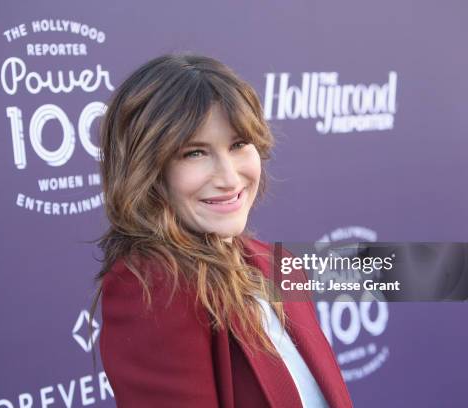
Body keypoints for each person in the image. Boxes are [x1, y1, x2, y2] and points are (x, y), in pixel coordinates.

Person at [89, 53, 352, 407]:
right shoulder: (152, 287)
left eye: (239, 144)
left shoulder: (272, 261)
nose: (229, 178)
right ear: (148, 171)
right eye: (195, 153)